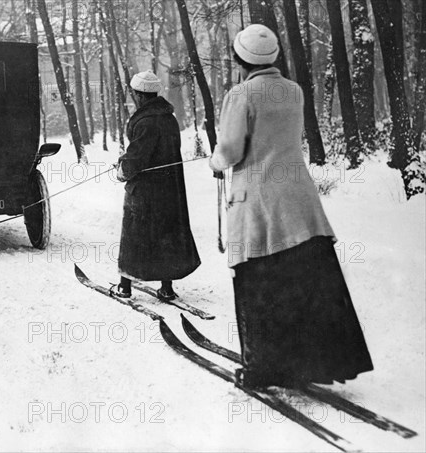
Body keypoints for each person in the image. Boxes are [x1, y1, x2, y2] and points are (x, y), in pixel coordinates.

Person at [210, 24, 373, 388]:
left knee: (260, 282)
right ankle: (319, 362)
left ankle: (264, 368)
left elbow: (230, 151)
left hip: (258, 202)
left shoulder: (241, 94)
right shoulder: (293, 91)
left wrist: (214, 162)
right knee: (305, 280)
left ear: (239, 59)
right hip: (298, 198)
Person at [113, 70, 201, 301]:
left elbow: (136, 158)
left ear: (140, 96)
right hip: (170, 189)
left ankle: (125, 287)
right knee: (165, 235)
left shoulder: (145, 122)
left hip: (144, 191)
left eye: (134, 94)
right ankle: (167, 288)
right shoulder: (168, 118)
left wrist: (122, 170)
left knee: (134, 236)